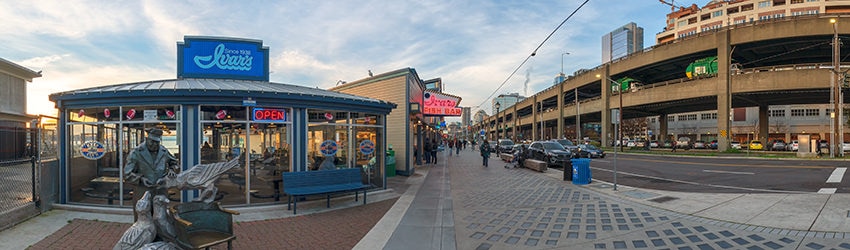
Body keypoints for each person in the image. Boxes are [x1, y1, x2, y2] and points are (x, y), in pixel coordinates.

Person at [124, 128, 179, 221]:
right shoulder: (136, 152)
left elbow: (175, 163)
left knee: (161, 219)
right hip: (143, 192)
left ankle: (161, 235)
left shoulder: (163, 151)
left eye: (157, 142)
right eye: (152, 142)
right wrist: (141, 179)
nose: (154, 145)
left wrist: (172, 170)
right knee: (142, 220)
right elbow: (127, 173)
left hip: (160, 191)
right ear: (147, 139)